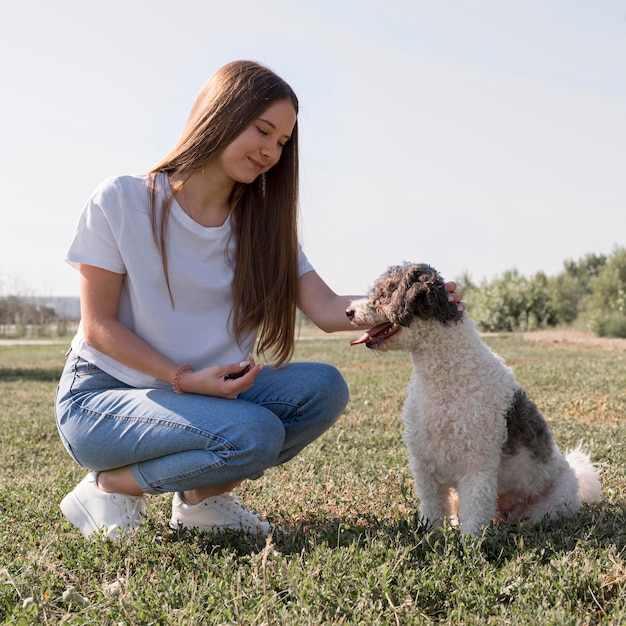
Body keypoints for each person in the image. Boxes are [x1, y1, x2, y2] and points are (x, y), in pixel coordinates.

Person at [55, 60, 464, 539]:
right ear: (219, 114)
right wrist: (184, 379)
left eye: (283, 142)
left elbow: (330, 309)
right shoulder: (121, 200)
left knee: (323, 389)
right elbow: (99, 325)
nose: (271, 151)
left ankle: (201, 504)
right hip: (103, 400)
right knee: (254, 434)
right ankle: (109, 486)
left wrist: (407, 303)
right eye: (262, 131)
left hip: (209, 391)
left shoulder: (262, 228)